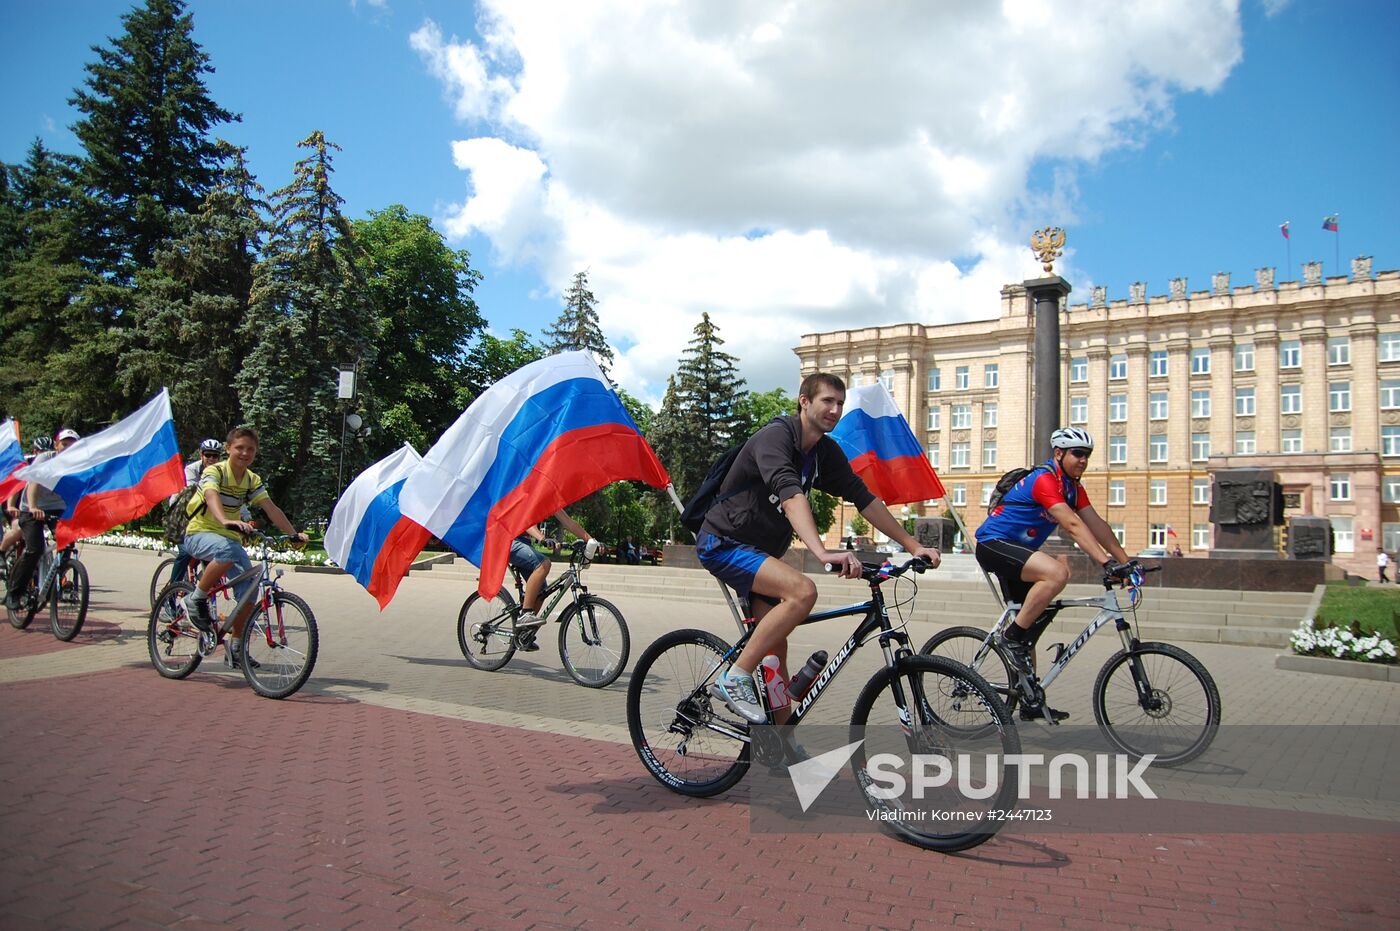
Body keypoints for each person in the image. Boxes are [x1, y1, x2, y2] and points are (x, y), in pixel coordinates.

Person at [697, 372, 942, 725]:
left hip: (758, 553)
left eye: (840, 403)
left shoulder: (824, 452)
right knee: (802, 592)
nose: (835, 409)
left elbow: (864, 498)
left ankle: (779, 741)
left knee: (775, 649)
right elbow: (790, 493)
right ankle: (735, 676)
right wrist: (822, 552)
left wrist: (913, 544)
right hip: (723, 541)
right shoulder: (776, 437)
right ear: (804, 401)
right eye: (827, 400)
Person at [974, 426, 1134, 720]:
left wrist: (1125, 561)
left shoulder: (1073, 488)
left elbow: (1097, 525)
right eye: (1077, 454)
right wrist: (1105, 562)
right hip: (993, 544)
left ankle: (1029, 701)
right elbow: (1073, 526)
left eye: (1087, 455)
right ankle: (1010, 639)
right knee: (1057, 574)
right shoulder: (1045, 480)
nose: (1083, 460)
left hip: (1019, 553)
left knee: (1028, 631)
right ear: (1058, 453)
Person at [180, 427, 306, 668]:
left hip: (230, 540)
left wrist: (292, 534)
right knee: (226, 551)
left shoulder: (251, 479)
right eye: (239, 448)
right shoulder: (214, 471)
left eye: (250, 449)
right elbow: (210, 496)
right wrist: (226, 520)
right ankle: (195, 599)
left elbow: (270, 508)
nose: (245, 453)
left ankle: (236, 647)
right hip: (199, 533)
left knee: (249, 591)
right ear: (228, 449)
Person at [5, 430, 78, 611]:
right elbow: (33, 484)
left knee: (68, 541)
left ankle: (58, 574)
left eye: (72, 444)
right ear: (56, 445)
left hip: (58, 507)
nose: (68, 448)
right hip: (31, 508)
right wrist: (32, 507)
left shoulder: (78, 463)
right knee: (34, 549)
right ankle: (14, 592)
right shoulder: (45, 458)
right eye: (65, 444)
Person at [510, 509, 594, 634]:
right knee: (544, 564)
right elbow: (526, 520)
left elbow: (568, 522)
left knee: (541, 591)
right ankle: (525, 614)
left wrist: (591, 541)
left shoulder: (551, 499)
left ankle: (523, 633)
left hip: (526, 543)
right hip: (509, 541)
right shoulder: (532, 493)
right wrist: (542, 538)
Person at [167, 439, 224, 588]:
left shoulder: (223, 473)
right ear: (201, 455)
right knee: (186, 552)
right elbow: (195, 492)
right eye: (208, 455)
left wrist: (247, 517)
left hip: (202, 518)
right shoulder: (191, 470)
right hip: (182, 515)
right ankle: (170, 593)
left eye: (215, 456)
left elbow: (233, 495)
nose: (211, 459)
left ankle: (201, 582)